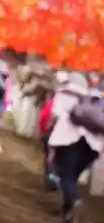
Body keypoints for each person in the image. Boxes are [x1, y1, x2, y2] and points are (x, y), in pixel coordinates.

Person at [48, 72, 104, 223]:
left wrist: (50, 141)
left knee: (65, 176)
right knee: (72, 177)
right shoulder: (93, 98)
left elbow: (55, 116)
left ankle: (75, 201)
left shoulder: (64, 94)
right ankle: (67, 212)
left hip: (69, 140)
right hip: (93, 146)